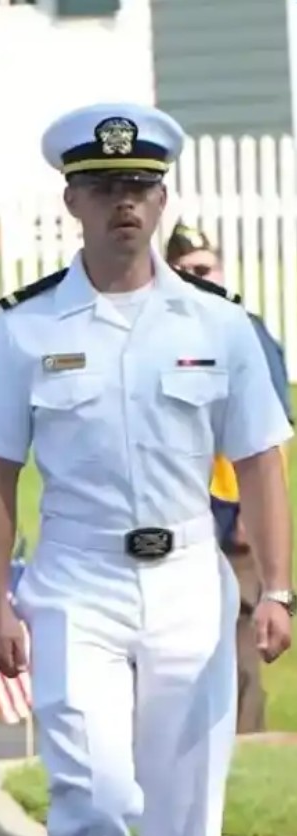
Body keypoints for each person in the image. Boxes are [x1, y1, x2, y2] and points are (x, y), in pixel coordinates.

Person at [0, 103, 293, 836]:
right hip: (74, 578)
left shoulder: (219, 327)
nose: (126, 206)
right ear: (71, 200)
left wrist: (276, 587)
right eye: (106, 188)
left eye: (143, 188)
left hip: (190, 576)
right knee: (101, 802)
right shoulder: (28, 325)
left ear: (164, 199)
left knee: (187, 818)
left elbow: (260, 462)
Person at [164, 222, 288, 735]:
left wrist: (247, 520)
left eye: (205, 268)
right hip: (174, 518)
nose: (197, 278)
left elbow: (269, 436)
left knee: (239, 653)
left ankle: (245, 746)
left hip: (232, 517)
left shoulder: (246, 331)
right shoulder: (158, 330)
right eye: (186, 270)